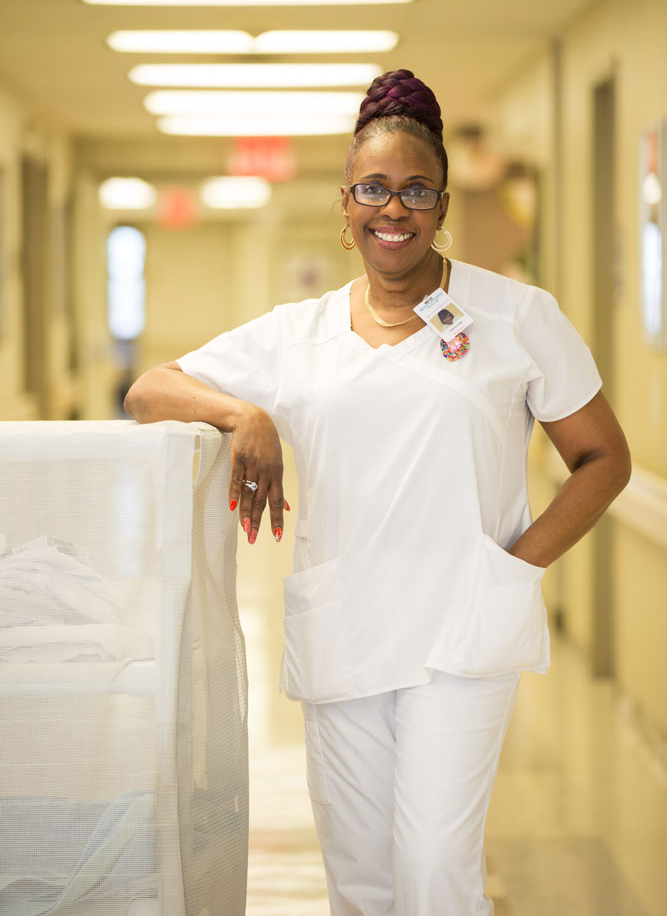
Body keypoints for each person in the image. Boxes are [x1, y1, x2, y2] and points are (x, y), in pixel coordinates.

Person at [124, 69, 631, 915]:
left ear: (439, 205)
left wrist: (512, 567)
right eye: (373, 189)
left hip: (461, 633)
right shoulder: (300, 333)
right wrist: (243, 412)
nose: (392, 210)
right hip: (346, 626)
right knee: (359, 880)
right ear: (345, 203)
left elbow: (603, 459)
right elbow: (150, 388)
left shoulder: (516, 316)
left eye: (414, 191)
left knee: (434, 872)